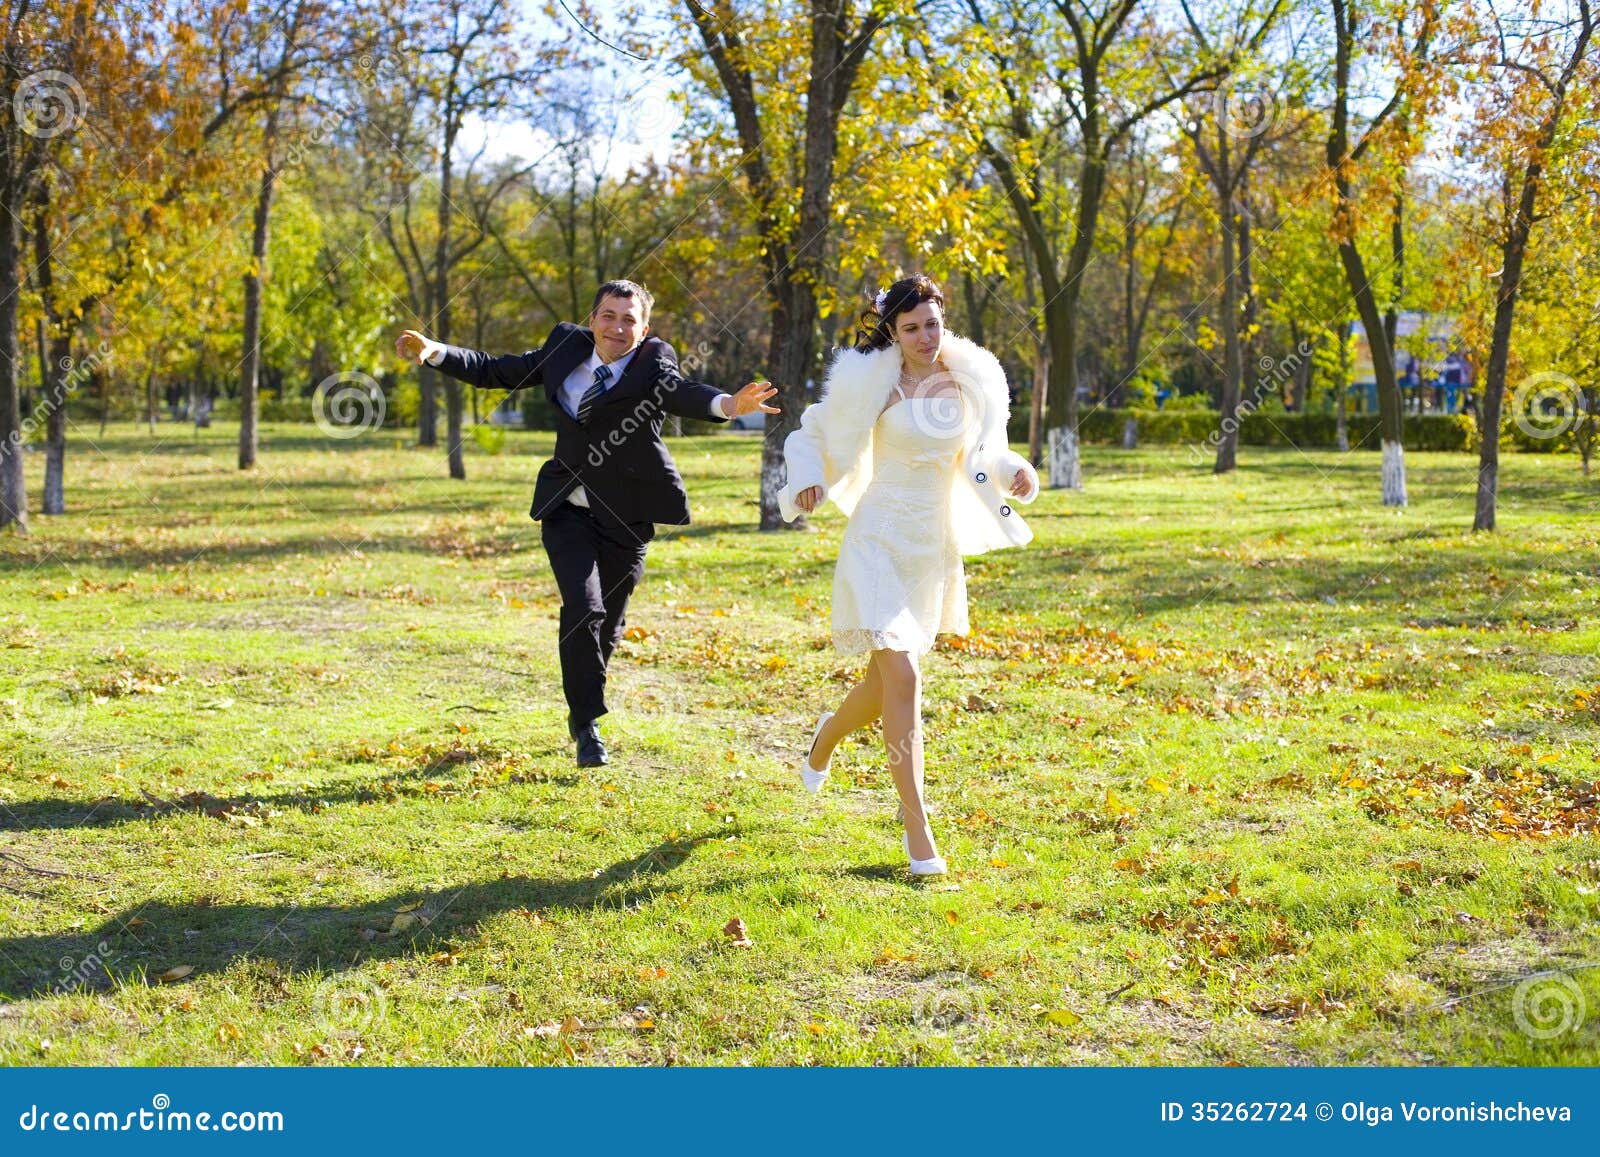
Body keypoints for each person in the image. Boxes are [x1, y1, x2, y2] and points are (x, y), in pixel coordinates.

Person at [396, 280, 779, 767]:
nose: (617, 327)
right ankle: (587, 726)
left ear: (643, 330)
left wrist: (730, 404)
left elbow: (682, 394)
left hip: (626, 513)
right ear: (592, 318)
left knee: (608, 626)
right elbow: (497, 369)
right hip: (566, 507)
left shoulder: (653, 362)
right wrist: (435, 351)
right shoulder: (563, 347)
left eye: (628, 320)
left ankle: (582, 701)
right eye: (608, 315)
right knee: (583, 608)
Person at [776, 274, 1038, 877]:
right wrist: (809, 476)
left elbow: (989, 452)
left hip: (930, 546)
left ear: (945, 320)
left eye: (933, 323)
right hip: (876, 540)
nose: (925, 336)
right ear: (892, 331)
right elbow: (813, 430)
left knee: (887, 681)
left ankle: (826, 738)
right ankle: (917, 827)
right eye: (912, 327)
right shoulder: (875, 383)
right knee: (904, 672)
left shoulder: (972, 381)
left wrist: (1015, 472)